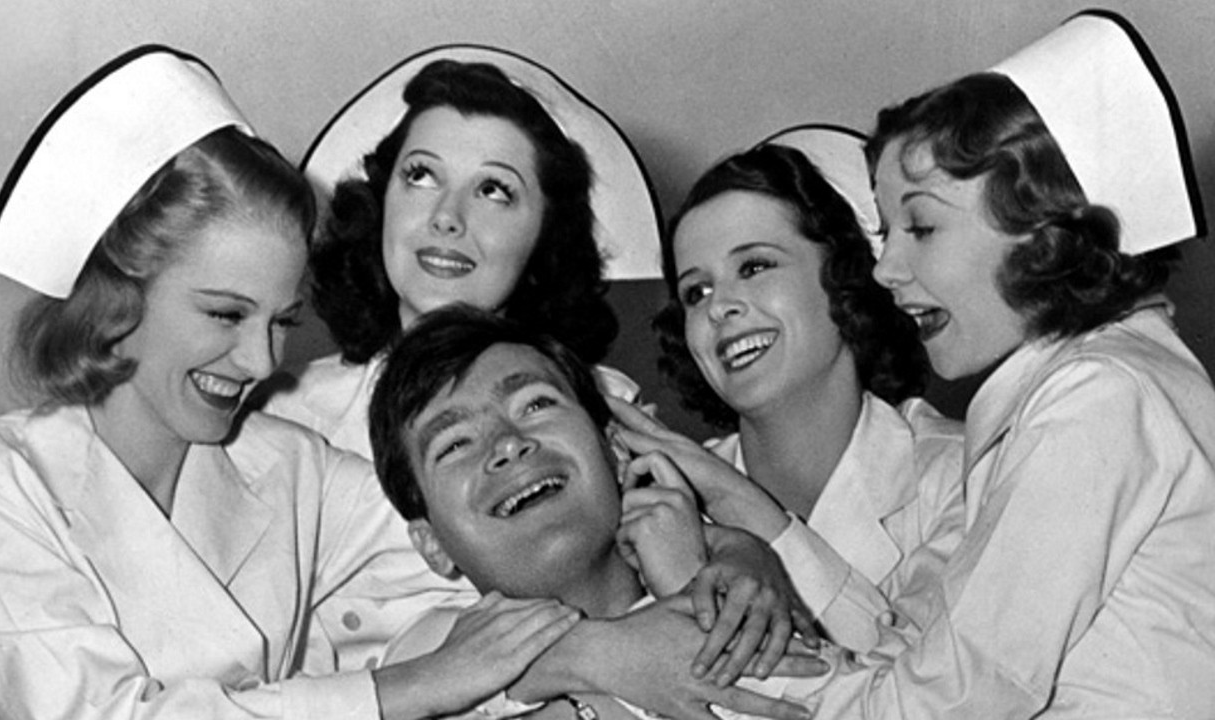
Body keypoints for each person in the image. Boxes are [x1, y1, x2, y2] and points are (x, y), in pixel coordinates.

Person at [0, 45, 592, 720]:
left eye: (282, 321)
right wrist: (400, 689)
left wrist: (665, 585)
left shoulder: (293, 469)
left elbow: (490, 575)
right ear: (115, 297)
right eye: (225, 313)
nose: (260, 361)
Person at [754, 11, 1215, 717]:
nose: (884, 269)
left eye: (922, 226)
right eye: (884, 232)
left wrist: (702, 677)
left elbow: (959, 695)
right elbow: (907, 641)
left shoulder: (1099, 397)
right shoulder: (1061, 394)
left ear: (1044, 229)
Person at [259, 46, 754, 675]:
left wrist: (744, 558)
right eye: (420, 176)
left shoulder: (609, 405)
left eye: (494, 190)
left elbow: (681, 548)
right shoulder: (284, 421)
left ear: (544, 234)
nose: (446, 218)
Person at [366, 305, 836, 720]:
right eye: (455, 445)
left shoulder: (748, 596)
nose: (507, 444)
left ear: (616, 451)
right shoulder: (424, 674)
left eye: (535, 404)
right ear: (430, 544)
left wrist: (702, 579)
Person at [611, 128, 965, 653]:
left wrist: (738, 502)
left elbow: (923, 690)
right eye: (695, 291)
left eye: (753, 267)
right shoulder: (655, 504)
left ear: (846, 280)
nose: (719, 307)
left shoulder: (966, 473)